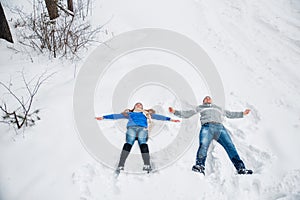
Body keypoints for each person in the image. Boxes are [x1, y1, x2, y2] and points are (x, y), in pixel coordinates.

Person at [169, 96, 253, 175]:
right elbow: (188, 113)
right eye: (206, 98)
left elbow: (229, 114)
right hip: (207, 127)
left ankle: (240, 168)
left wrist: (242, 114)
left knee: (230, 146)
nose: (208, 98)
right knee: (203, 145)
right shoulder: (200, 108)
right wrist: (175, 112)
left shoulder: (218, 108)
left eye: (209, 98)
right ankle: (200, 166)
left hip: (219, 128)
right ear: (203, 101)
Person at [95, 102, 180, 173]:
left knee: (143, 143)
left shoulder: (145, 113)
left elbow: (159, 117)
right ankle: (121, 164)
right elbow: (116, 116)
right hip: (131, 128)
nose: (139, 105)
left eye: (140, 105)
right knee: (129, 143)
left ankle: (147, 164)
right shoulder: (130, 113)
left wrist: (171, 119)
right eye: (137, 104)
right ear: (134, 107)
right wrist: (103, 117)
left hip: (142, 129)